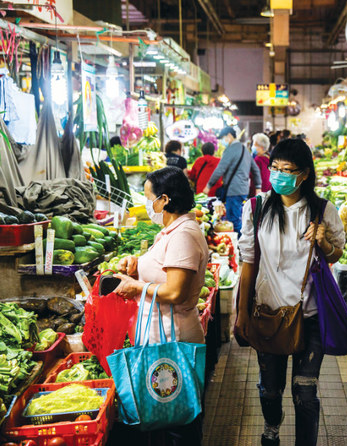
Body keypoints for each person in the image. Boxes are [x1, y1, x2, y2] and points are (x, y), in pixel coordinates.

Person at [238, 138, 345, 446]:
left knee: (305, 391)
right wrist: (243, 313)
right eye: (275, 168)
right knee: (270, 389)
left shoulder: (323, 210)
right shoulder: (256, 209)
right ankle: (272, 426)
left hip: (310, 315)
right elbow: (248, 263)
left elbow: (335, 254)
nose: (279, 175)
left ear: (304, 174)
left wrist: (323, 242)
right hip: (268, 312)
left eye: (288, 169)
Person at [112, 166, 208, 445]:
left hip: (174, 337)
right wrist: (136, 265)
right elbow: (161, 272)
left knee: (178, 419)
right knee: (166, 415)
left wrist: (136, 287)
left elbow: (176, 291)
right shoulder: (170, 232)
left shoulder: (183, 235)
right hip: (161, 337)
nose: (146, 204)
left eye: (148, 197)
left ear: (164, 200)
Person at [204, 126, 262, 234]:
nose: (222, 142)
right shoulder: (245, 149)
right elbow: (255, 170)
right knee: (237, 218)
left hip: (234, 190)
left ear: (229, 136)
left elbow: (220, 169)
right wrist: (258, 186)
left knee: (233, 221)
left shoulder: (230, 150)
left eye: (223, 138)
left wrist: (208, 186)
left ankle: (239, 246)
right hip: (243, 190)